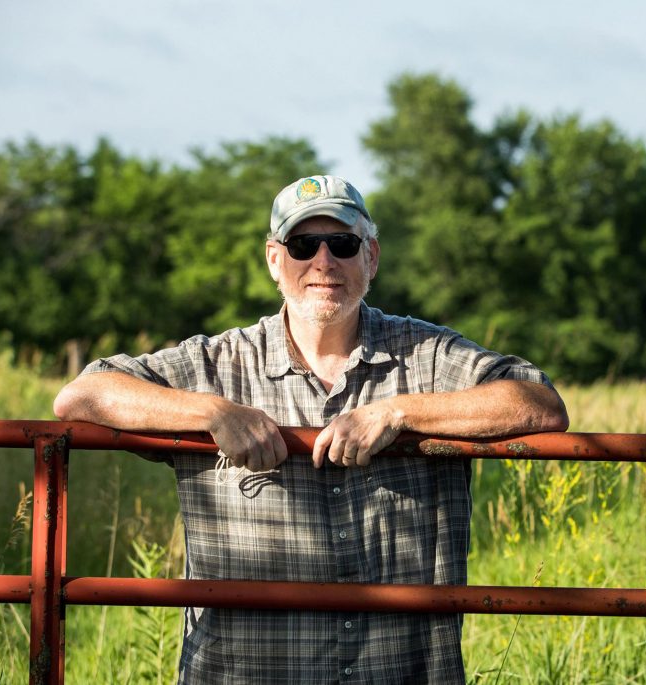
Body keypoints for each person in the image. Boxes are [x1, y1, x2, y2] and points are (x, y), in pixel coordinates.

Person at [53, 174, 568, 683]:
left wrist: (398, 414)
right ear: (275, 261)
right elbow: (82, 395)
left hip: (397, 673)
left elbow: (540, 404)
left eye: (343, 243)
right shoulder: (217, 364)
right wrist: (213, 414)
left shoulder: (427, 356)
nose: (324, 262)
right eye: (303, 245)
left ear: (371, 258)